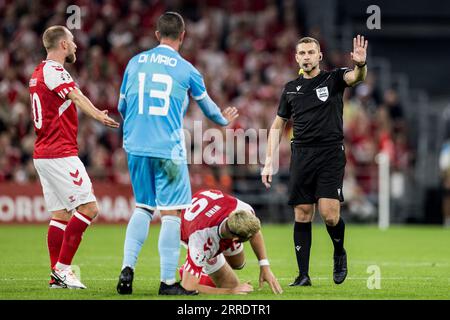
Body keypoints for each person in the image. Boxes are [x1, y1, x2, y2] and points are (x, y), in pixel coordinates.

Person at [116, 12, 238, 295]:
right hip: (168, 149)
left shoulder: (134, 63)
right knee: (171, 214)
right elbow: (209, 109)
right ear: (182, 36)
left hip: (135, 145)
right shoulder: (187, 69)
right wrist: (223, 120)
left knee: (143, 207)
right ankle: (168, 282)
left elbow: (122, 106)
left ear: (157, 34)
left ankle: (127, 269)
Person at [262, 35, 368, 286]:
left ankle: (339, 252)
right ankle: (303, 275)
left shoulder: (333, 78)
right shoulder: (289, 89)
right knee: (302, 212)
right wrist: (268, 160)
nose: (307, 57)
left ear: (319, 56)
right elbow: (278, 125)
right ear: (296, 57)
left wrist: (361, 65)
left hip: (330, 153)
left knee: (329, 215)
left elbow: (355, 78)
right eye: (302, 53)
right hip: (301, 154)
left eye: (311, 52)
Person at [29, 26, 120, 289]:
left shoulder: (37, 72)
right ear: (63, 46)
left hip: (44, 153)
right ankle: (63, 269)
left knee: (60, 215)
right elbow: (76, 96)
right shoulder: (54, 70)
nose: (77, 46)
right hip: (59, 152)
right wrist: (99, 115)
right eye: (72, 41)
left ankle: (55, 277)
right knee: (89, 209)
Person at [178, 189, 283, 295]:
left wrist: (264, 266)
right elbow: (188, 287)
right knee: (231, 285)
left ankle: (204, 269)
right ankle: (194, 269)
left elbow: (255, 232)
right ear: (235, 240)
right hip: (195, 231)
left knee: (238, 264)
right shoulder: (201, 241)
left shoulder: (243, 210)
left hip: (210, 211)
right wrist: (230, 291)